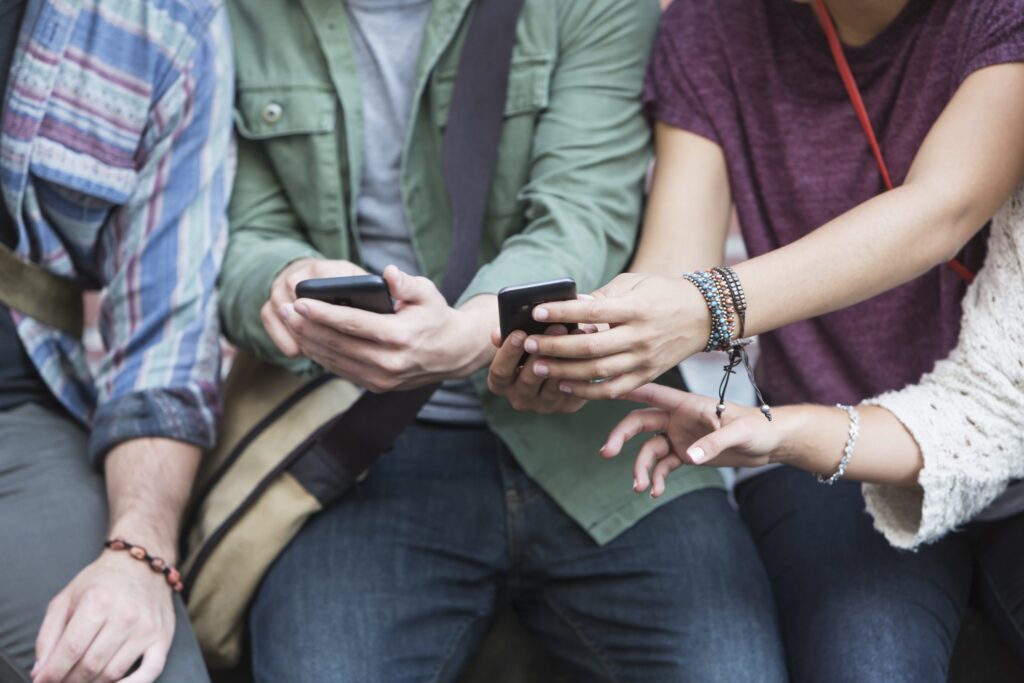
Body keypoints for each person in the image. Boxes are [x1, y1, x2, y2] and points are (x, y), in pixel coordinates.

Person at [218, 0, 788, 680]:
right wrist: (284, 283)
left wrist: (469, 332)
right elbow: (242, 231)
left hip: (602, 439)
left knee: (731, 668)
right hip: (363, 440)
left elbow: (584, 215)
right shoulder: (236, 15)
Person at [486, 0, 1024, 680]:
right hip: (826, 446)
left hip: (1010, 440)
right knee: (867, 663)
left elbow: (942, 207)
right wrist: (601, 352)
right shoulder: (713, 24)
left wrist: (709, 305)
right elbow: (674, 266)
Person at [600, 180, 1024, 653]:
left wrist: (712, 310)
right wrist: (599, 336)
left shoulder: (994, 117)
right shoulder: (717, 105)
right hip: (831, 471)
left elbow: (994, 403)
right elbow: (671, 267)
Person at [0, 0, 233, 680]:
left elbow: (164, 331)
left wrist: (139, 555)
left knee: (141, 667)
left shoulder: (172, 20)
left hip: (16, 423)